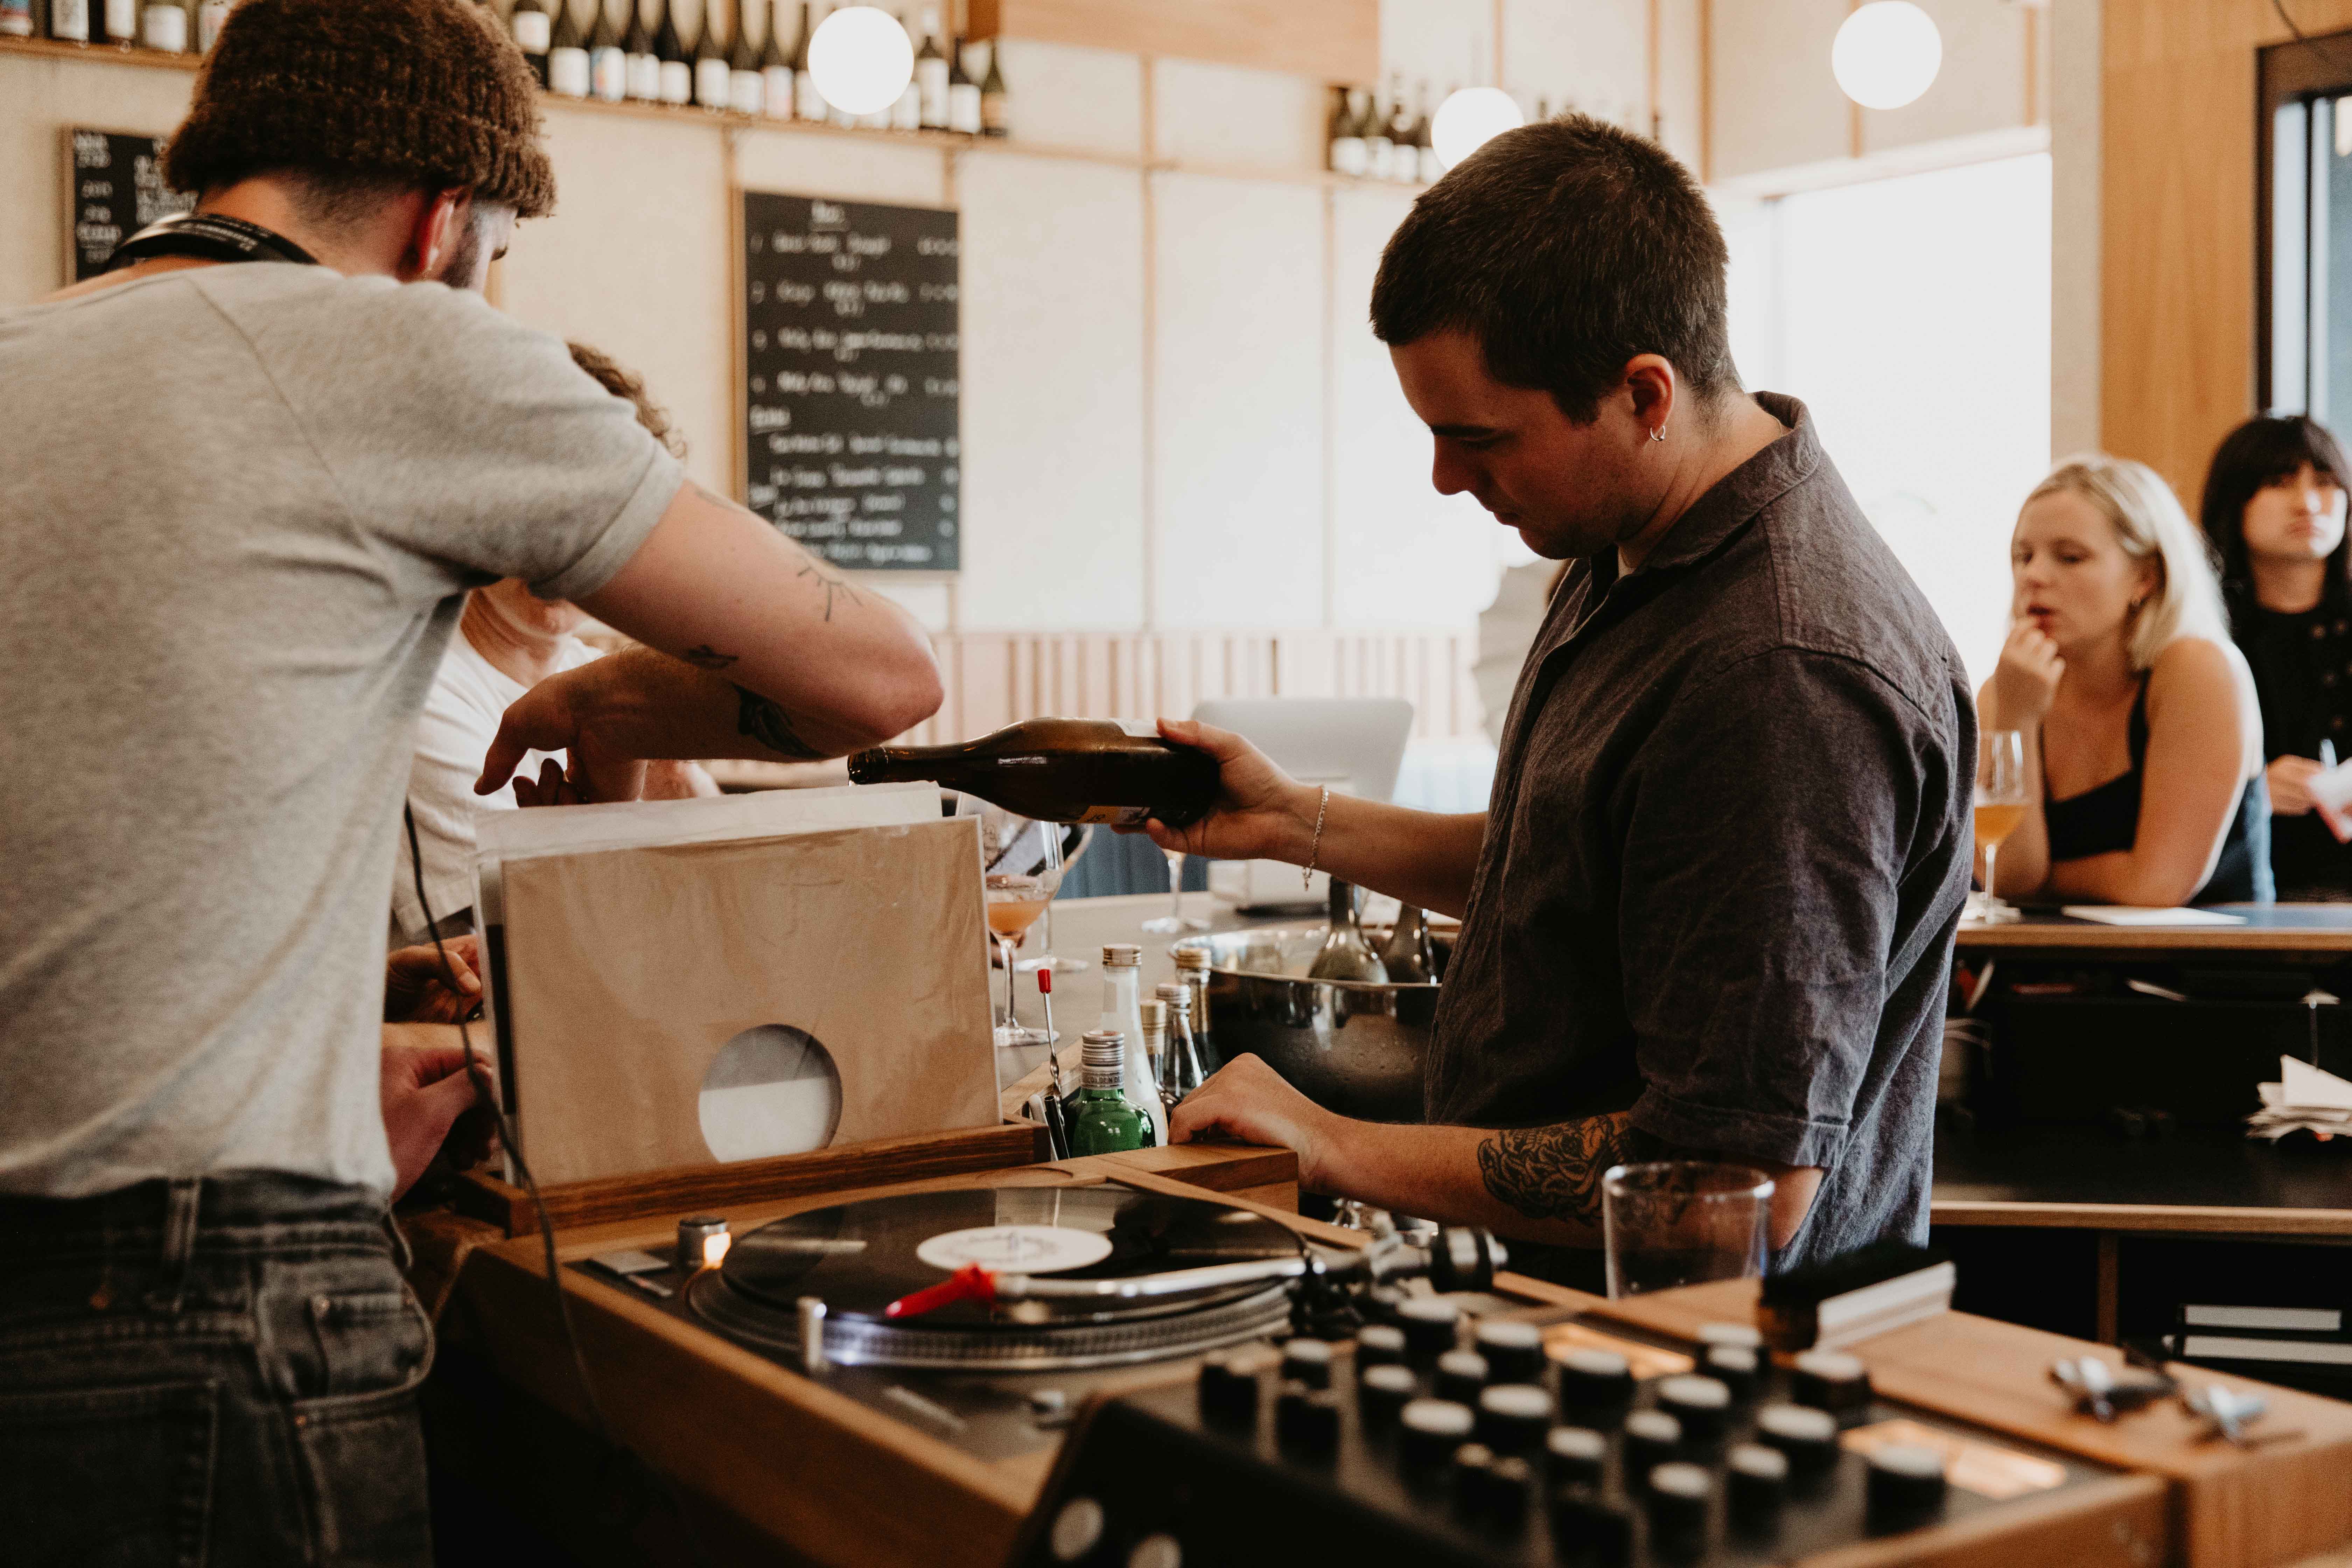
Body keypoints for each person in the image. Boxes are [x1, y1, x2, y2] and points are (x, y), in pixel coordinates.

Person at [0, 1, 940, 1561]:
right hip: (204, 1315)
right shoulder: (402, 348)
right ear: (448, 225)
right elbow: (877, 680)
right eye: (499, 259)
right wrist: (607, 693)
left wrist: (310, 1031)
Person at [1137, 117, 1974, 1288]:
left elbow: (1735, 1185)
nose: (1446, 477)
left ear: (1644, 394)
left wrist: (1333, 1145)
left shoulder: (1778, 674)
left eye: (1478, 438)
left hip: (1702, 1380)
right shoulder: (1628, 538)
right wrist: (1292, 822)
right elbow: (1570, 869)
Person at [392, 342, 718, 949]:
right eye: (536, 506)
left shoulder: (603, 674)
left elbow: (731, 895)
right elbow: (516, 953)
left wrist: (673, 770)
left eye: (601, 513)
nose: (567, 543)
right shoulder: (419, 692)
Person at [1980, 455, 2270, 907]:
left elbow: (2156, 887)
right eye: (2023, 556)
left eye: (2070, 557)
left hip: (2204, 971)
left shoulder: (2198, 669)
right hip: (2042, 967)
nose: (2033, 576)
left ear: (2146, 577)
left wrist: (2038, 883)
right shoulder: (2011, 688)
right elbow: (2012, 875)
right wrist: (2016, 717)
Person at [2201, 416, 2352, 898]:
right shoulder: (2200, 639)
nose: (2308, 502)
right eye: (2280, 483)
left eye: (2326, 482)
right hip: (2239, 898)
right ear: (2234, 502)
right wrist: (2253, 793)